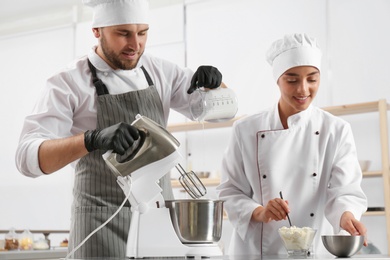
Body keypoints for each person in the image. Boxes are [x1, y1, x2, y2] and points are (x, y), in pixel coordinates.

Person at [15, 0, 224, 258]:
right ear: (97, 31)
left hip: (158, 221)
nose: (135, 45)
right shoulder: (66, 82)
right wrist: (91, 140)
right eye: (123, 33)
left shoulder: (160, 71)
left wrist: (216, 86)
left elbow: (216, 112)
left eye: (142, 32)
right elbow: (27, 159)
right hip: (98, 224)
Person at [216, 33, 368, 256]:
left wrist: (346, 215)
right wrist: (259, 211)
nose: (303, 90)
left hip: (312, 250)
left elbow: (345, 190)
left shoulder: (335, 130)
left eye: (312, 79)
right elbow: (229, 192)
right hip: (256, 252)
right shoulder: (246, 129)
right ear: (277, 79)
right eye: (292, 79)